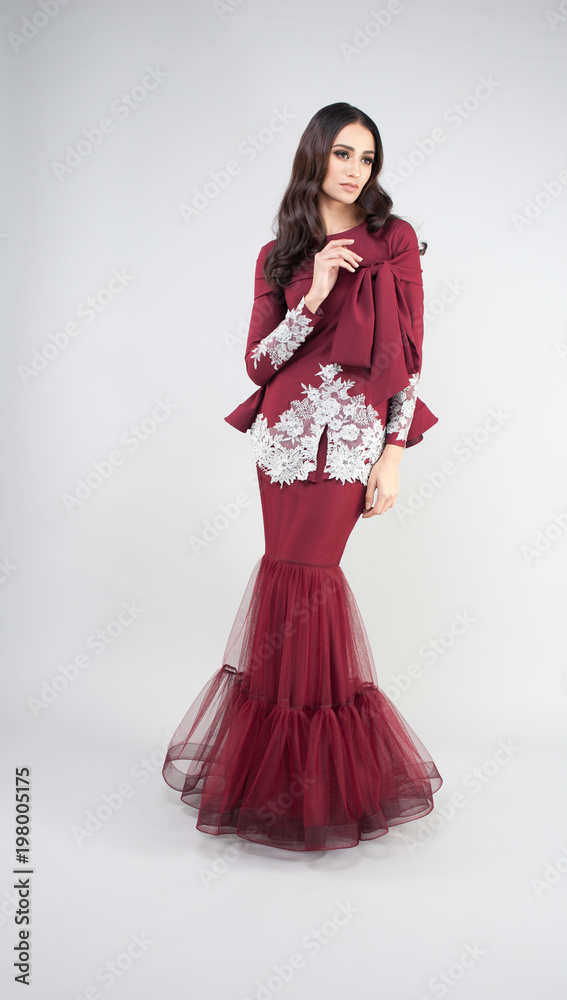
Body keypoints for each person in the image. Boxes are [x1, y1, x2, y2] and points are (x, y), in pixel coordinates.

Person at [162, 102, 443, 852]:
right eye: (343, 153)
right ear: (314, 156)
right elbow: (258, 365)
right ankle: (274, 782)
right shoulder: (277, 253)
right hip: (284, 441)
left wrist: (393, 453)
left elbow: (410, 354)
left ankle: (314, 784)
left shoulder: (394, 240)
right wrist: (313, 293)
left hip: (350, 440)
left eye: (367, 158)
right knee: (283, 578)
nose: (355, 169)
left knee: (310, 584)